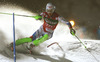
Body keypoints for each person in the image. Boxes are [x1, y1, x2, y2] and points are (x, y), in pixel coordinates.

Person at [10, 3, 76, 53]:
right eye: (48, 10)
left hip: (49, 33)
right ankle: (14, 43)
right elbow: (39, 16)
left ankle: (31, 45)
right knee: (30, 39)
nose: (49, 12)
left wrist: (71, 29)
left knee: (46, 36)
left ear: (53, 10)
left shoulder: (57, 17)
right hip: (41, 30)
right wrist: (38, 17)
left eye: (51, 10)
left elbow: (67, 22)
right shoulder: (45, 14)